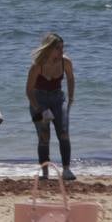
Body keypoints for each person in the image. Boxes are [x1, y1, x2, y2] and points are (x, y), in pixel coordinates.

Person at [26, 32, 76, 181]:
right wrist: (39, 109)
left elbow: (71, 78)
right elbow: (28, 91)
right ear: (49, 49)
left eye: (63, 48)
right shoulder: (37, 65)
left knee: (64, 133)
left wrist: (71, 97)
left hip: (57, 99)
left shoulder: (65, 61)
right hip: (38, 100)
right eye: (58, 48)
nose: (62, 51)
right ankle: (45, 172)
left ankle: (66, 169)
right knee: (44, 136)